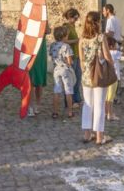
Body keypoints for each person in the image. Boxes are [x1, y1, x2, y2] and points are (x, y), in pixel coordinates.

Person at [79, 11, 114, 146]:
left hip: (86, 75)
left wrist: (85, 71)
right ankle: (100, 136)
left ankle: (87, 134)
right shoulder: (100, 38)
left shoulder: (82, 39)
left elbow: (81, 59)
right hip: (99, 75)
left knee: (87, 105)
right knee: (99, 104)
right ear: (97, 22)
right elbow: (107, 55)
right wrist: (111, 66)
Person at [49, 26, 75, 119]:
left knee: (56, 91)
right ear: (63, 36)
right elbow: (69, 61)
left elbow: (52, 57)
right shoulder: (66, 46)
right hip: (65, 70)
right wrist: (70, 64)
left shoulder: (52, 45)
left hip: (56, 69)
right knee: (68, 91)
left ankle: (55, 112)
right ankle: (70, 112)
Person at [62, 8, 83, 106]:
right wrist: (76, 41)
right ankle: (70, 101)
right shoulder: (66, 27)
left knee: (78, 78)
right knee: (71, 79)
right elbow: (64, 41)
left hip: (76, 55)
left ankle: (77, 99)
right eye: (75, 18)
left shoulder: (72, 26)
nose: (76, 20)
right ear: (70, 17)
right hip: (70, 56)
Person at [28, 33, 48, 117]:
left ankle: (36, 105)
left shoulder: (44, 19)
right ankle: (31, 106)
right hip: (30, 49)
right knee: (30, 81)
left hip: (39, 51)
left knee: (38, 80)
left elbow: (48, 30)